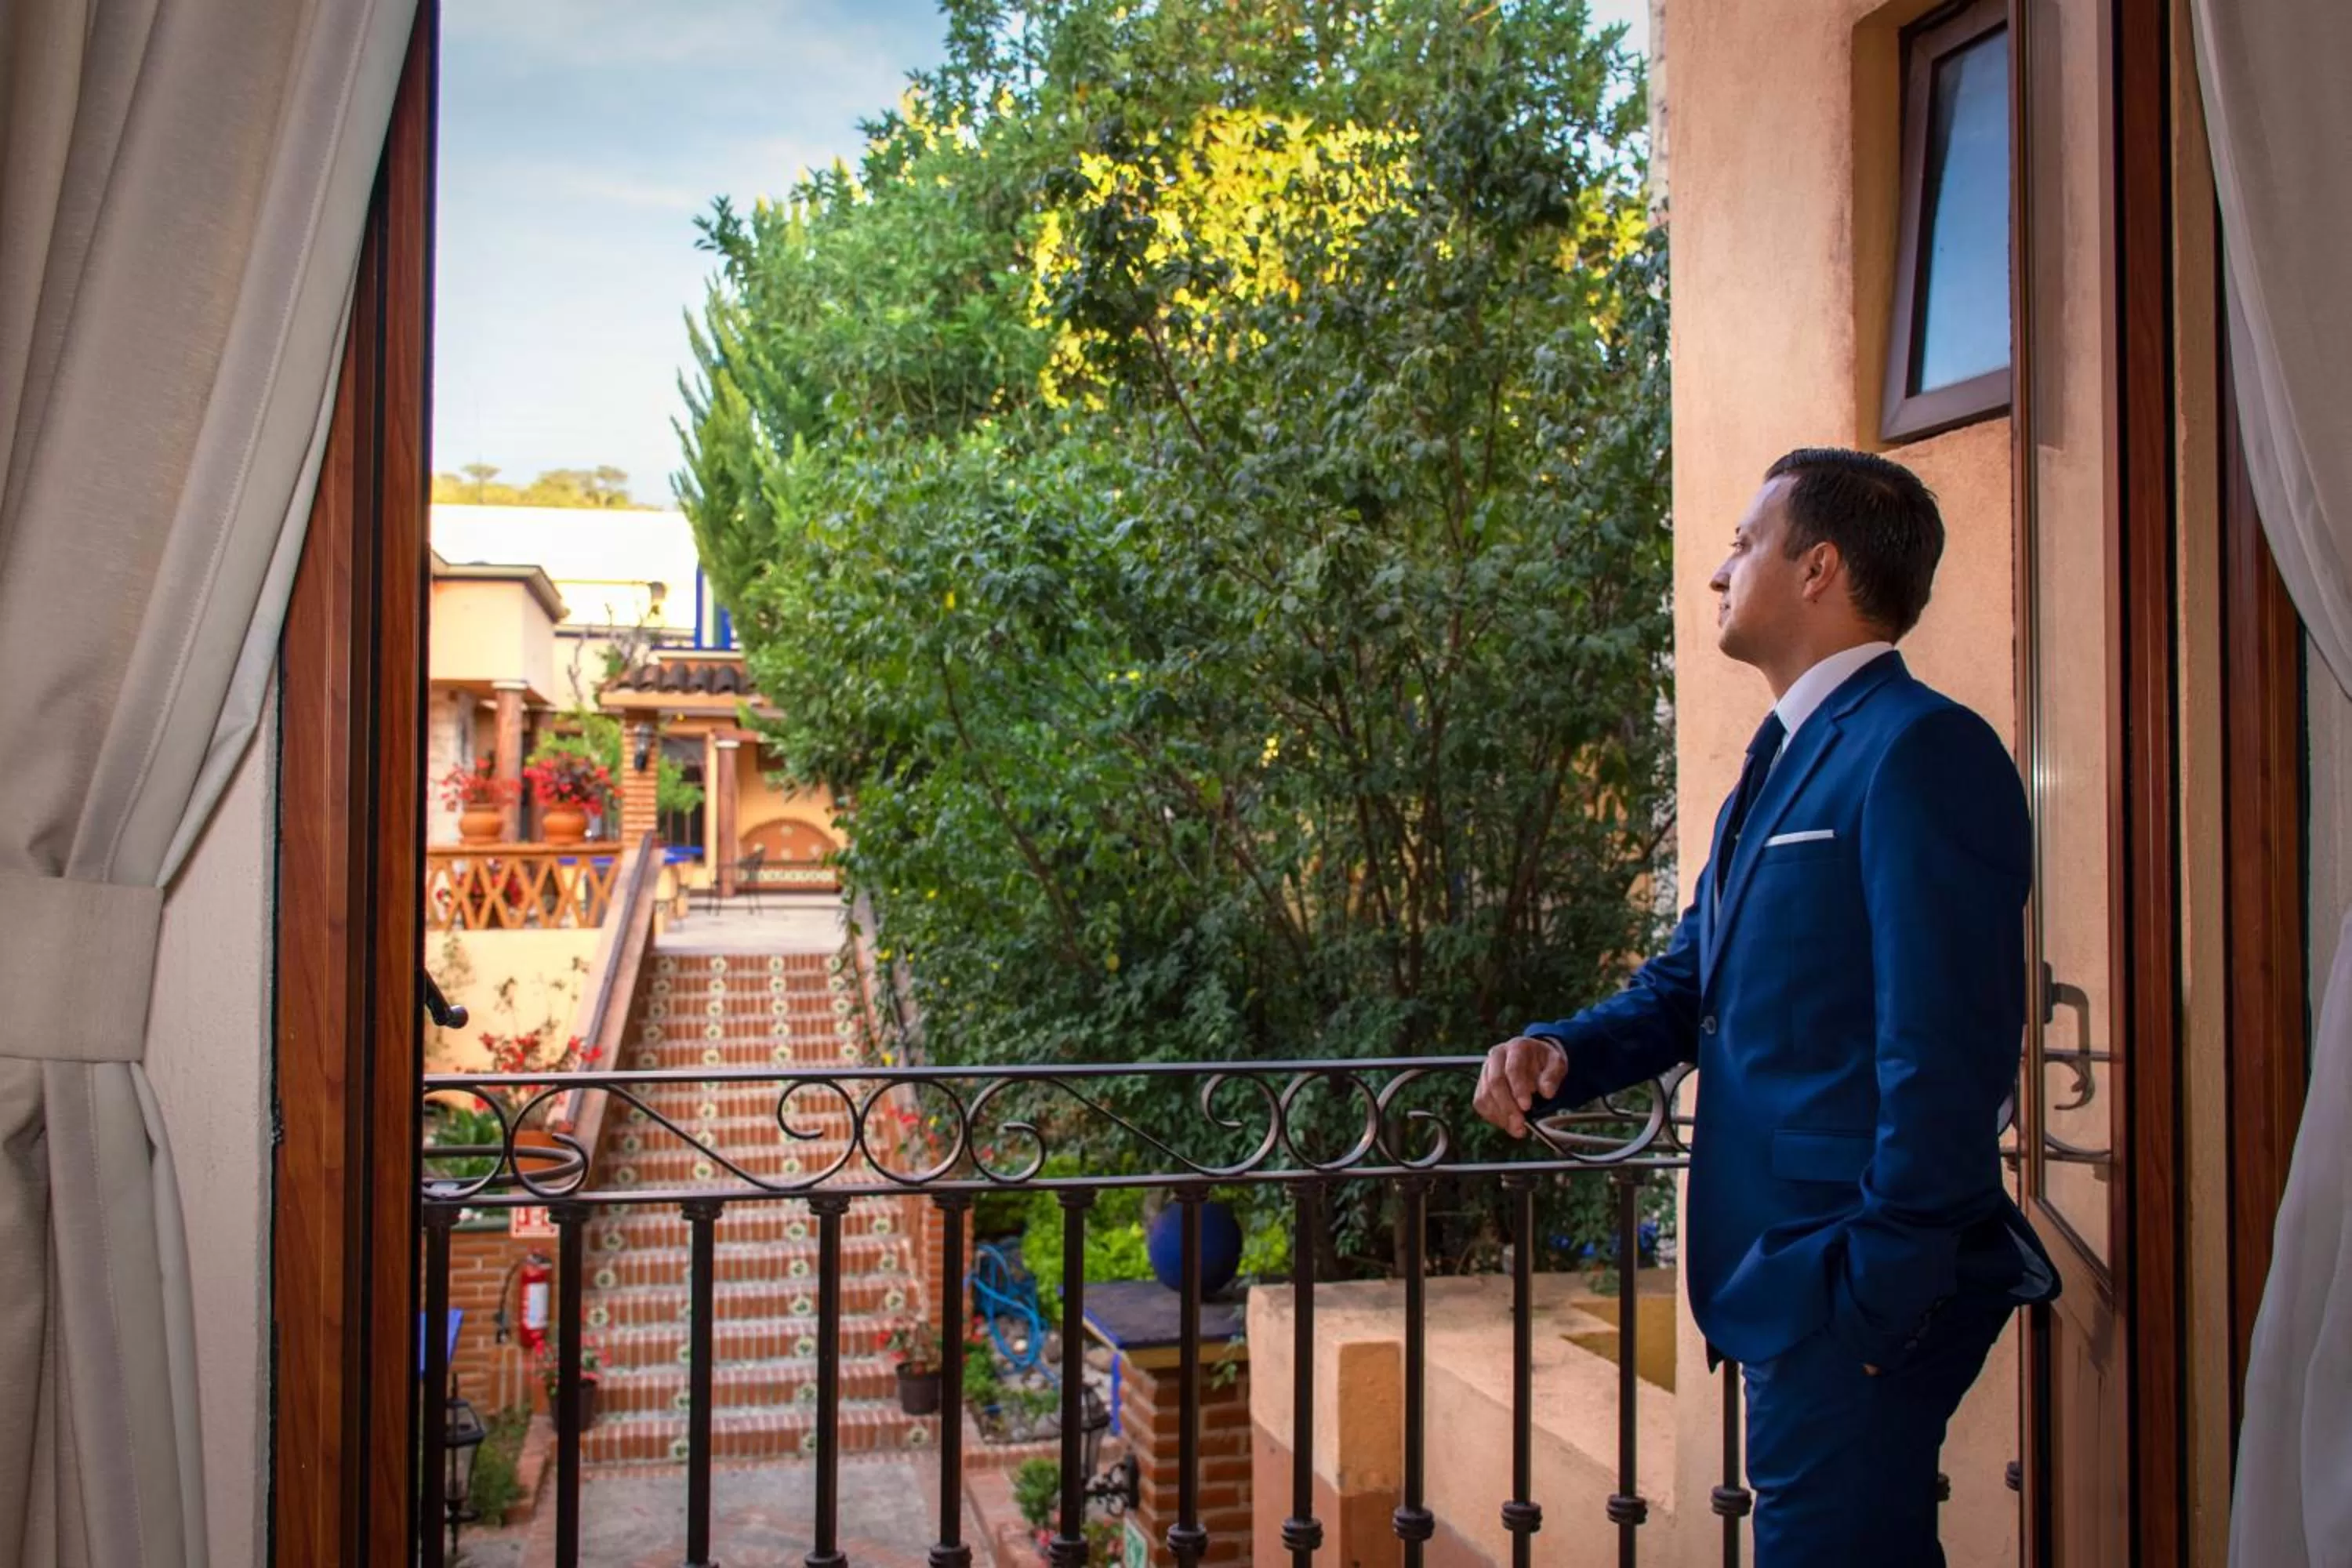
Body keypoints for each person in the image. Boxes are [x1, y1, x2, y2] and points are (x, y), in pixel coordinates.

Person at [1473, 448, 2057, 1566]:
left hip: (1842, 1281)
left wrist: (1876, 1290)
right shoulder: (1778, 763)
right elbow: (1690, 982)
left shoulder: (1922, 748)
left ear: (1818, 568)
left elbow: (1947, 1046)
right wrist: (1558, 1051)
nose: (1720, 571)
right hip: (1785, 1279)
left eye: (1745, 544)